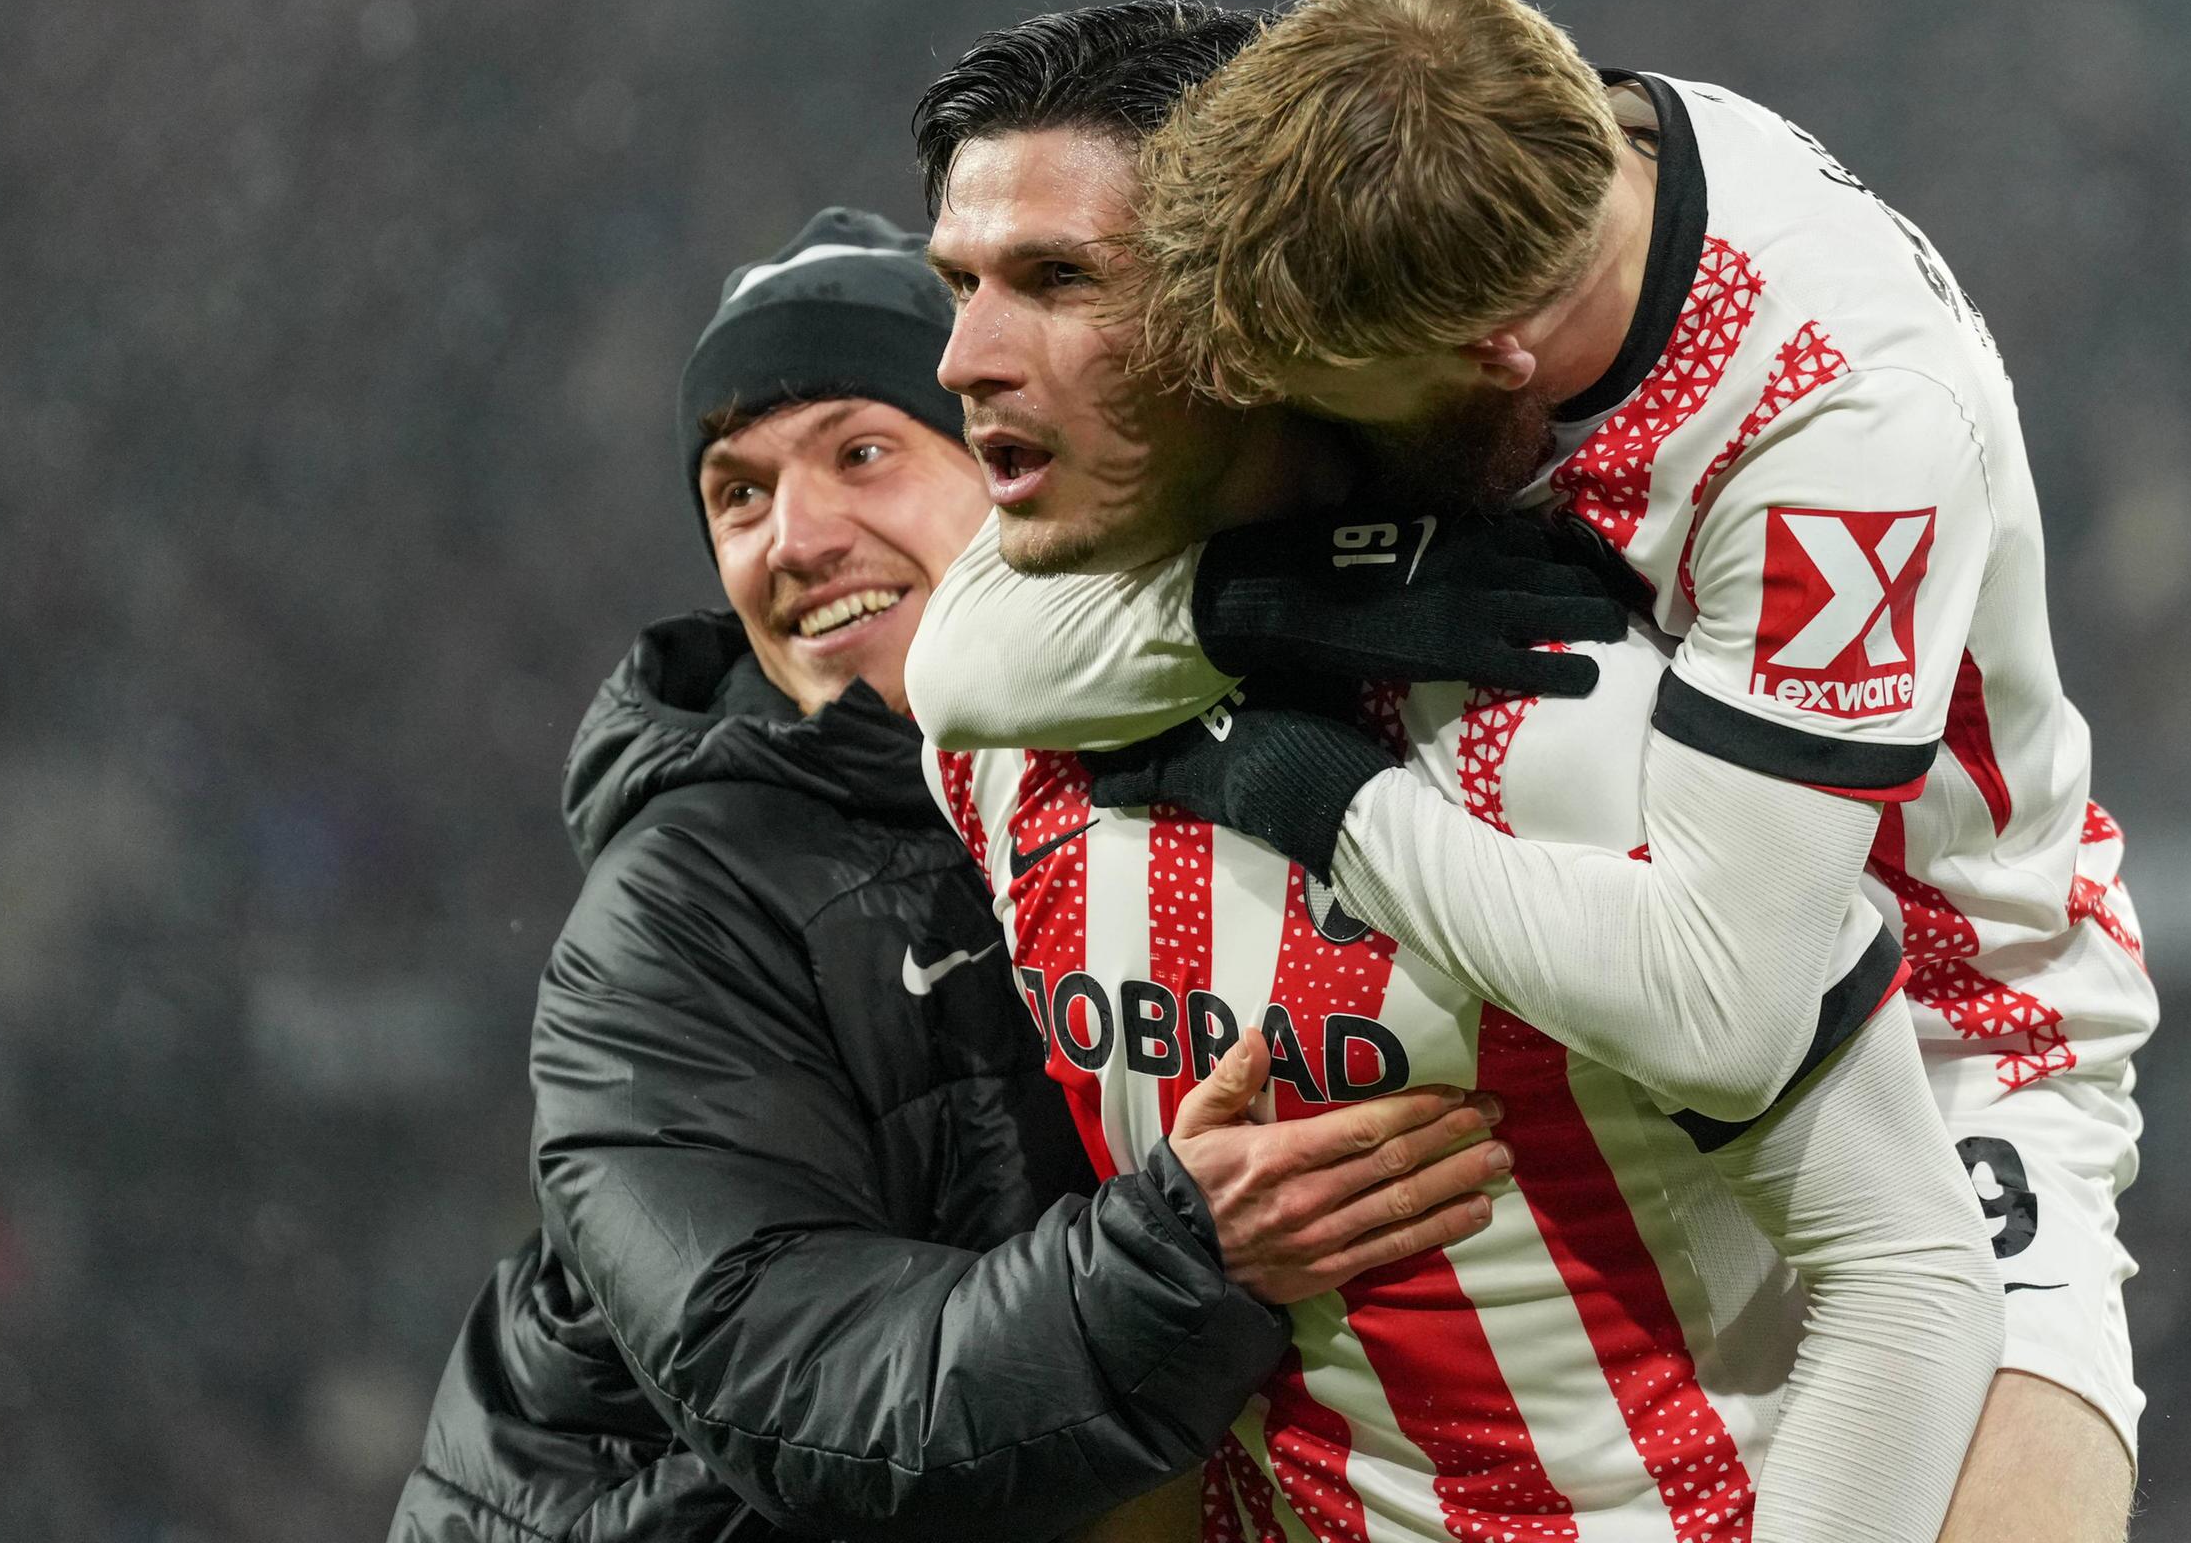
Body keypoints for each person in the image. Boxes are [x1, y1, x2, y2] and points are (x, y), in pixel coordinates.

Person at [908, 0, 2156, 1542]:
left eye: (1063, 281)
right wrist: (1259, 598)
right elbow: (961, 669)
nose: (1248, 366)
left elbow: (1724, 1005)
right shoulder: (1460, 156)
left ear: (1491, 358)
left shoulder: (1840, 423)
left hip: (1951, 1013)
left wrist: (1333, 804)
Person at [391, 207, 1521, 1543]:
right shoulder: (680, 902)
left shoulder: (1155, 756)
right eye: (738, 494)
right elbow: (788, 1377)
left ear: (1010, 467)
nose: (793, 537)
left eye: (860, 454)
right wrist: (1180, 1257)